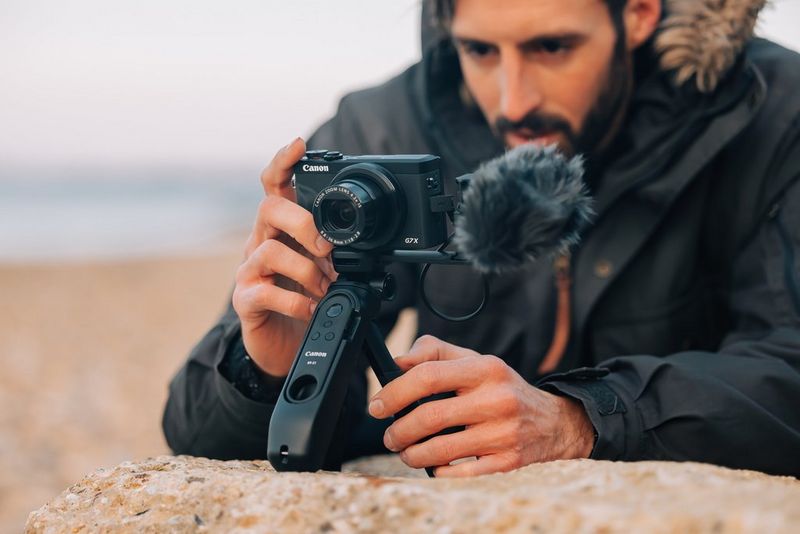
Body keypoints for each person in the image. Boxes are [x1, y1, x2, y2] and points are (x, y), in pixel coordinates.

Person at [163, 0, 800, 477]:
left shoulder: (772, 113)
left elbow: (787, 368)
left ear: (637, 12)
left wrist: (580, 418)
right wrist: (270, 367)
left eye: (552, 47)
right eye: (480, 52)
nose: (513, 101)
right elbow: (194, 430)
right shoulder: (386, 126)